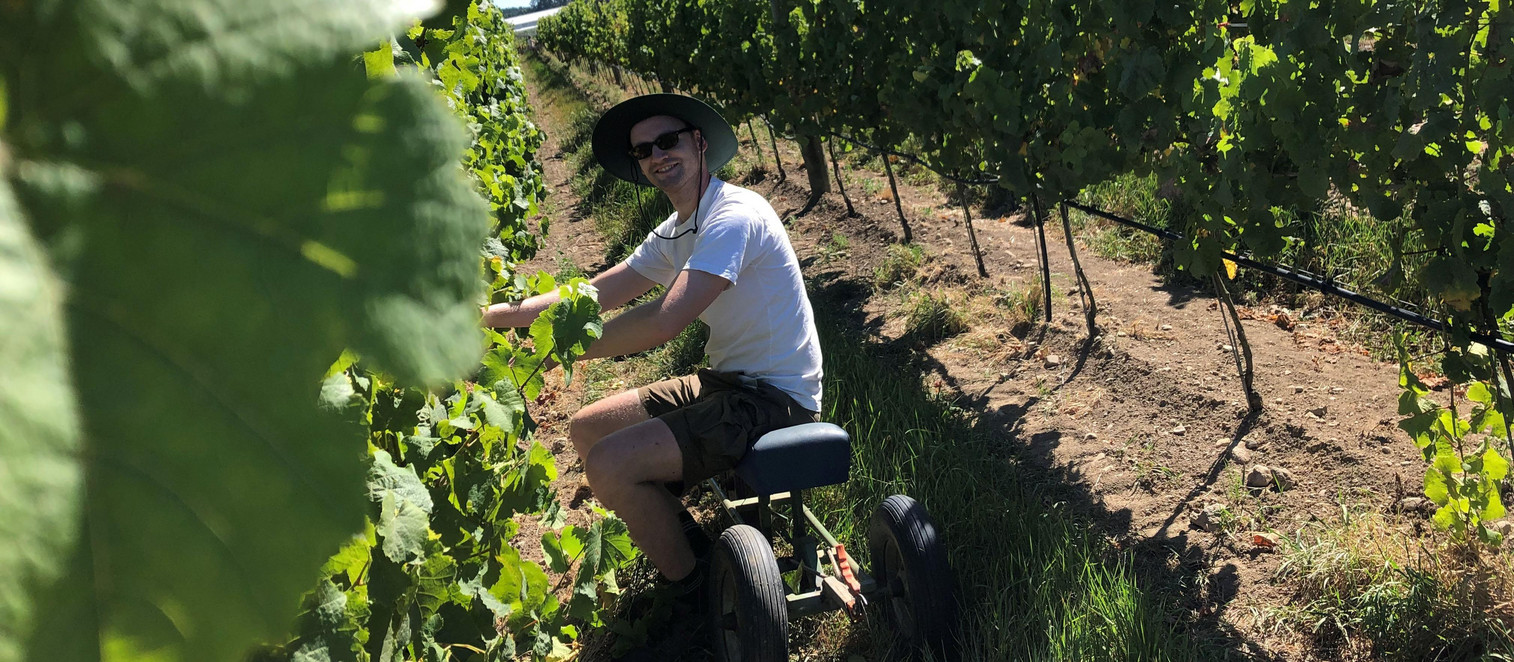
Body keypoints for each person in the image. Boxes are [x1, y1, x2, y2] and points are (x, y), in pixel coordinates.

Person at [482, 94, 823, 597]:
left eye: (669, 141)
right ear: (639, 165)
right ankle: (694, 546)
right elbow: (599, 291)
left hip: (776, 402)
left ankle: (697, 593)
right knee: (587, 429)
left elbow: (665, 321)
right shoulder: (680, 228)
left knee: (608, 464)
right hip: (725, 383)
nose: (658, 155)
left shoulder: (734, 216)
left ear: (699, 143)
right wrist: (497, 318)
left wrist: (559, 351)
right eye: (644, 151)